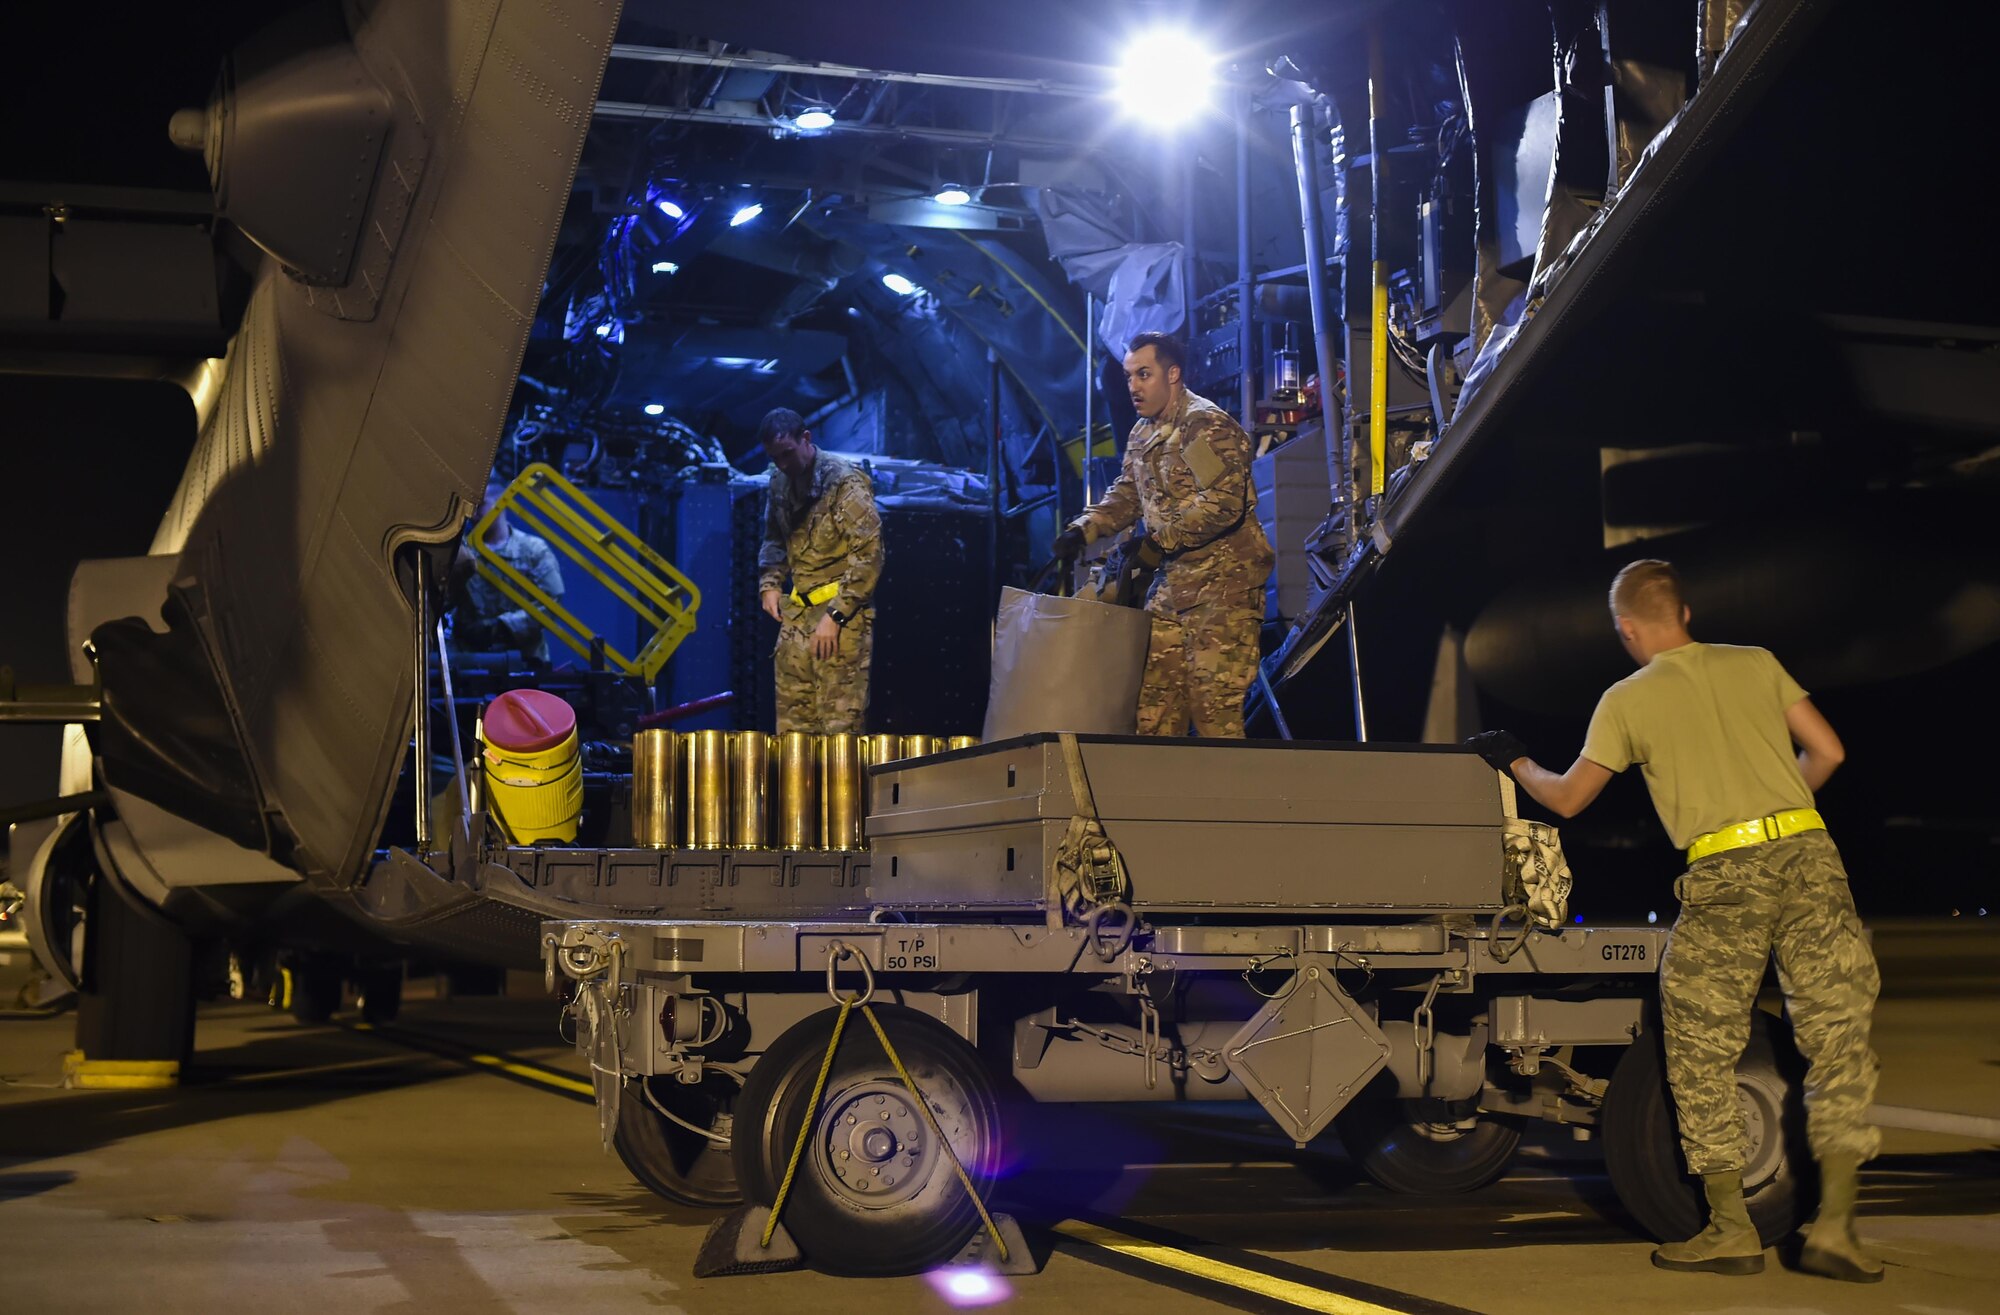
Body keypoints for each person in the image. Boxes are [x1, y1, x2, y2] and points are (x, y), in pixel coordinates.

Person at [1467, 559, 1881, 1283]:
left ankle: (1730, 1228)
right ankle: (1838, 1228)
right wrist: (1778, 808)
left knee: (1699, 1049)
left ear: (1628, 629)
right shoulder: (1757, 663)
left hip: (1726, 876)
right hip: (1811, 857)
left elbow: (1567, 799)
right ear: (1684, 613)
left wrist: (1517, 761)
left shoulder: (1628, 698)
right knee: (1838, 1039)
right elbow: (1830, 750)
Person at [1052, 333, 1274, 737]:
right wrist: (1084, 530)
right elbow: (1128, 493)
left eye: (1143, 374)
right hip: (1173, 592)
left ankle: (1228, 799)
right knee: (1153, 719)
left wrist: (1158, 542)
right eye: (1128, 376)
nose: (1133, 386)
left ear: (1172, 375)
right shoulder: (1143, 433)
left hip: (1222, 593)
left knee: (1215, 719)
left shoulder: (1200, 427)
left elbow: (1223, 502)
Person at [756, 408, 883, 734]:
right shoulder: (779, 482)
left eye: (788, 453)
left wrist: (836, 616)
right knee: (793, 735)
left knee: (839, 732)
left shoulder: (843, 482)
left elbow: (869, 554)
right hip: (797, 617)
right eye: (775, 458)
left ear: (806, 439)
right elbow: (774, 537)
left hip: (840, 623)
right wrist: (770, 582)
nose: (784, 464)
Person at [456, 479, 565, 663]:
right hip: (470, 659)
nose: (473, 514)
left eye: (480, 506)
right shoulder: (461, 552)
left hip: (527, 659)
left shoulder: (533, 550)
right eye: (470, 508)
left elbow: (551, 601)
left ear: (501, 503)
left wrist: (503, 627)